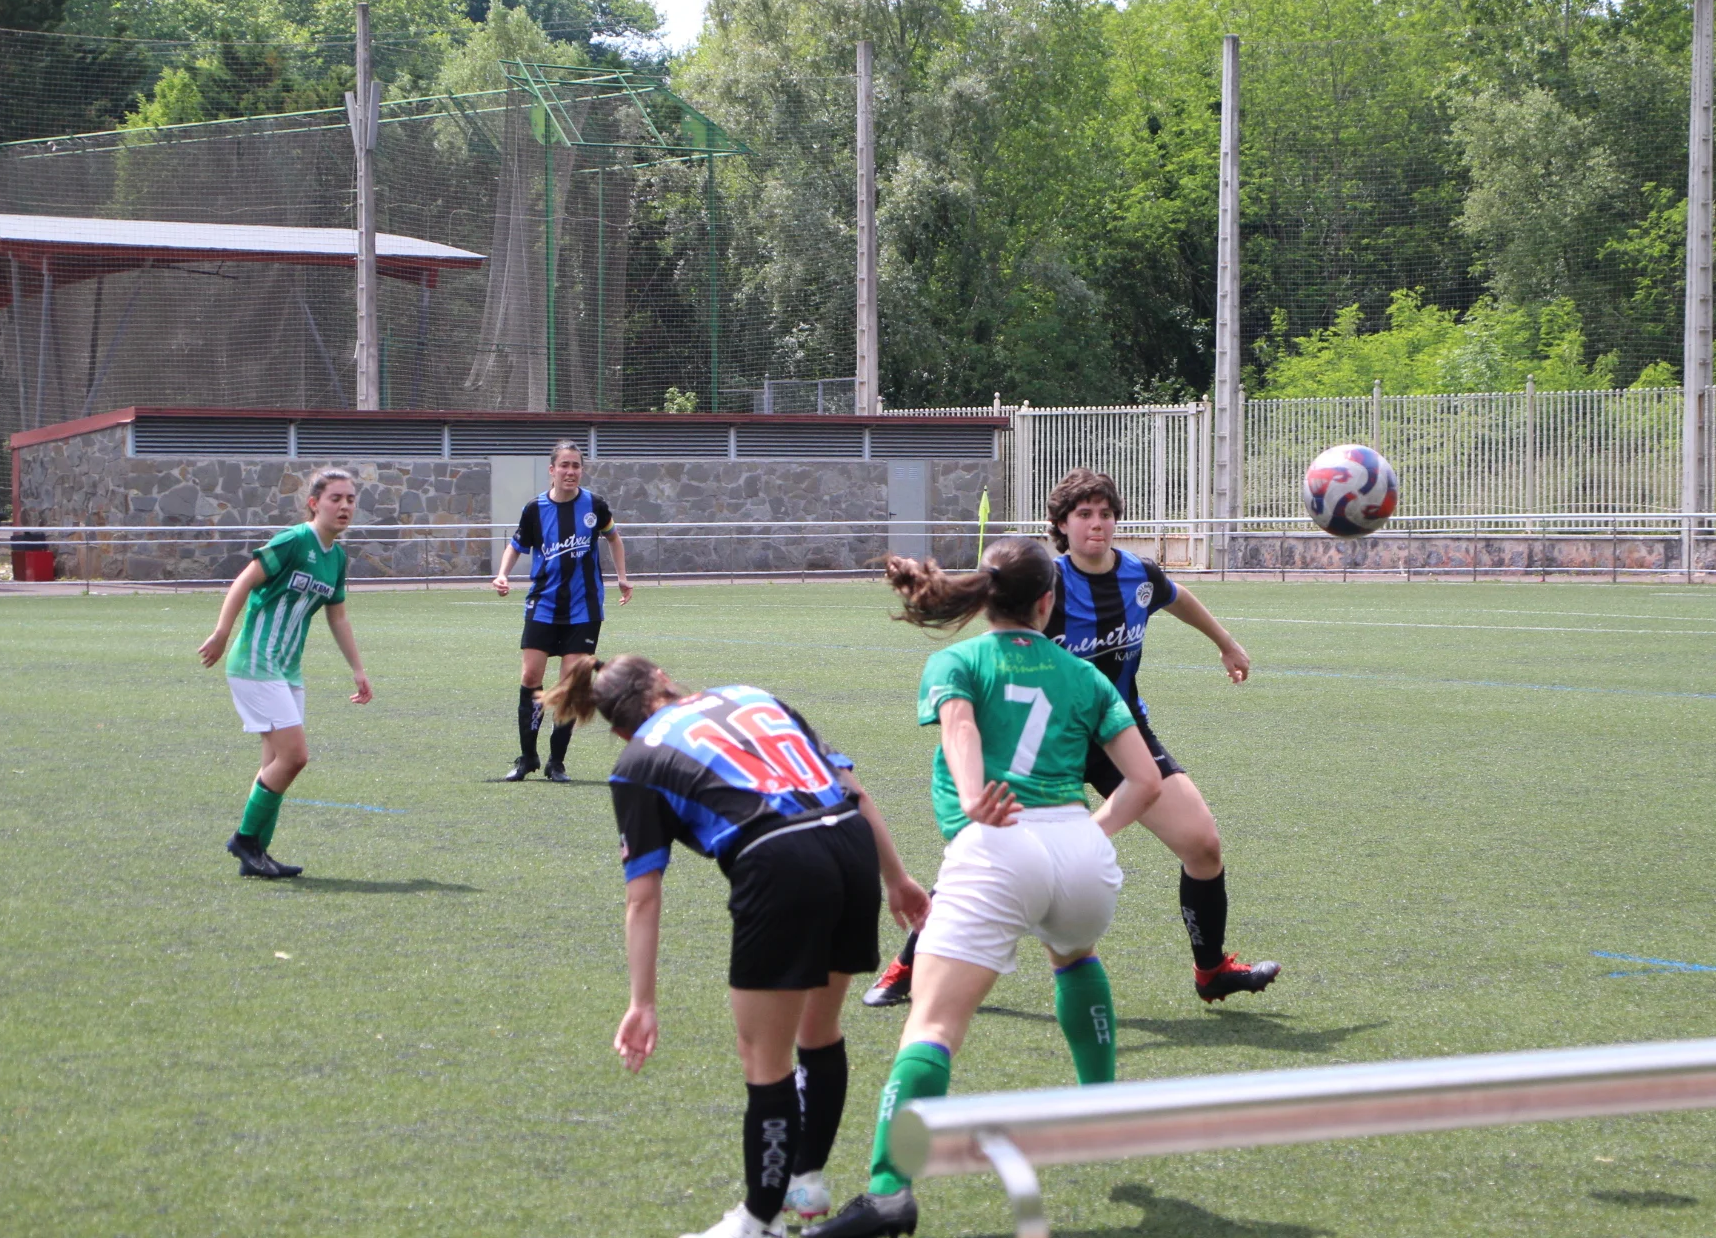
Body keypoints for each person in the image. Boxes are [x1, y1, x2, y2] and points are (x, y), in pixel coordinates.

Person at [806, 535, 1164, 1238]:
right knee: (1074, 956)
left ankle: (888, 1192)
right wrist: (1085, 832)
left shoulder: (958, 660)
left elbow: (962, 727)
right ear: (1048, 603)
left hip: (998, 846)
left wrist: (975, 796)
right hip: (1079, 851)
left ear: (986, 596)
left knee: (934, 1024)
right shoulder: (1084, 674)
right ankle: (1101, 1105)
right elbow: (1146, 781)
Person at [545, 654, 929, 1238]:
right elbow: (852, 787)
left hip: (779, 860)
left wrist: (642, 1002)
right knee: (819, 1033)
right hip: (850, 845)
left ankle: (759, 1220)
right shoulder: (753, 695)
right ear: (664, 678)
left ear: (619, 729)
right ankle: (805, 1178)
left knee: (764, 1061)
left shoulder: (637, 760)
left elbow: (643, 897)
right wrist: (896, 878)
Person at [865, 469, 1279, 1009]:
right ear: (1061, 525)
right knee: (995, 848)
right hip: (1047, 738)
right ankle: (908, 966)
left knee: (1202, 844)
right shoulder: (1046, 585)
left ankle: (1212, 970)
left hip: (1119, 734)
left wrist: (1225, 642)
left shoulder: (1139, 575)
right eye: (1084, 514)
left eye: (1105, 513)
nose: (1097, 524)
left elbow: (1177, 597)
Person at [198, 468, 373, 878]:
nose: (345, 506)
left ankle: (257, 854)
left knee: (275, 762)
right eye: (335, 498)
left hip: (287, 670)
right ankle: (244, 840)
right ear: (314, 503)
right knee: (295, 757)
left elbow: (338, 617)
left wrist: (358, 669)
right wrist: (222, 632)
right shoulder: (294, 540)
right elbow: (244, 581)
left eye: (350, 499)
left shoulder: (337, 557)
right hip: (254, 663)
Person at [492, 439, 632, 782]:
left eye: (576, 465)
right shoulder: (535, 509)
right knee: (531, 678)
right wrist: (503, 574)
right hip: (543, 605)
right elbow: (516, 546)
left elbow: (613, 537)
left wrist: (622, 577)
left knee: (569, 686)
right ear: (552, 470)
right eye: (564, 465)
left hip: (584, 610)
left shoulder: (594, 506)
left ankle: (557, 762)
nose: (570, 471)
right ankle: (527, 758)